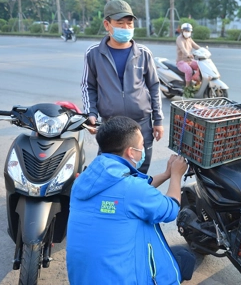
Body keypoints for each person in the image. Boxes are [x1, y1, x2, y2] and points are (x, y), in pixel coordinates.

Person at [66, 116, 195, 284]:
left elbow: (132, 193)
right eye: (141, 145)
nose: (143, 149)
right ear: (131, 151)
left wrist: (165, 175)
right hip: (119, 280)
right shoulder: (131, 189)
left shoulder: (83, 181)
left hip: (82, 278)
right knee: (184, 259)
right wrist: (176, 175)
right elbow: (170, 210)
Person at [81, 0, 164, 173]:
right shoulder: (94, 54)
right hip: (111, 125)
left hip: (141, 125)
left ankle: (134, 200)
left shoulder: (143, 53)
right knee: (110, 171)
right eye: (120, 23)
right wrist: (91, 114)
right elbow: (88, 86)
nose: (126, 28)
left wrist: (158, 120)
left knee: (140, 169)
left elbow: (154, 86)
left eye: (129, 23)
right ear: (107, 24)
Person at [176, 23, 201, 96]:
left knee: (201, 65)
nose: (187, 32)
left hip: (189, 60)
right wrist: (188, 54)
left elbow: (196, 46)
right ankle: (187, 88)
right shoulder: (179, 39)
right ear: (182, 31)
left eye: (189, 31)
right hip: (181, 61)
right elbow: (182, 48)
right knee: (189, 70)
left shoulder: (189, 39)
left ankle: (197, 83)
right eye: (186, 31)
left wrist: (203, 50)